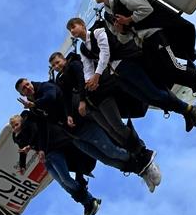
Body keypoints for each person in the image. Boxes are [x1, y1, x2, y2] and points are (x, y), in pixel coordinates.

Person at [89, 0, 196, 109]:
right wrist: (121, 31)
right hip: (143, 44)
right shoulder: (108, 16)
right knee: (167, 74)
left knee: (173, 67)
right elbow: (123, 39)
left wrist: (128, 19)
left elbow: (146, 9)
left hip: (155, 35)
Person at [16, 77, 161, 190]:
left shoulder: (45, 87)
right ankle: (140, 170)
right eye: (24, 89)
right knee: (106, 159)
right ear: (22, 94)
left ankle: (145, 161)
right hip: (74, 136)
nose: (27, 88)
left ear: (30, 82)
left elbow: (52, 96)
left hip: (82, 124)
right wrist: (41, 149)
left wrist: (35, 105)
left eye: (27, 84)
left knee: (111, 150)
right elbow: (42, 127)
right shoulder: (34, 107)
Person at [49, 50, 162, 192]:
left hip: (100, 97)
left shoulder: (75, 64)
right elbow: (66, 96)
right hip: (91, 107)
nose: (56, 66)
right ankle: (142, 169)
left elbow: (81, 80)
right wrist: (69, 115)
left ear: (63, 59)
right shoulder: (62, 79)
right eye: (54, 65)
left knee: (118, 129)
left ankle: (145, 155)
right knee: (113, 134)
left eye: (57, 62)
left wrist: (82, 101)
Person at [66, 15, 196, 132]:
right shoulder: (83, 48)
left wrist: (97, 76)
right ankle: (185, 112)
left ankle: (188, 109)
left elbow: (105, 53)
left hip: (126, 64)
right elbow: (87, 68)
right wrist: (90, 82)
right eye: (70, 30)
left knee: (154, 92)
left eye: (74, 26)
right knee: (146, 98)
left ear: (83, 25)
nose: (72, 31)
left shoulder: (98, 32)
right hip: (117, 76)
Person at [9, 112, 100, 215]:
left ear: (22, 122)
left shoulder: (30, 124)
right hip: (46, 160)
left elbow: (38, 133)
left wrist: (30, 146)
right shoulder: (18, 138)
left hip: (53, 151)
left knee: (65, 179)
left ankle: (90, 200)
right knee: (63, 184)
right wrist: (22, 166)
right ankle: (88, 202)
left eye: (17, 124)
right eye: (13, 126)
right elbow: (22, 151)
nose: (15, 127)